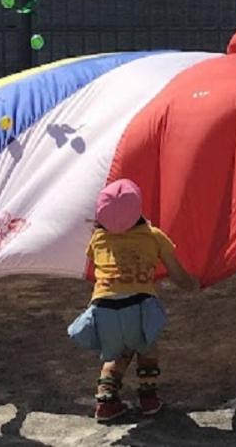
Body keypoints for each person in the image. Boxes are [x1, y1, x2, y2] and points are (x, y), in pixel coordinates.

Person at [68, 179, 199, 422]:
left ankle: (106, 402)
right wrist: (193, 283)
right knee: (147, 347)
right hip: (139, 305)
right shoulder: (154, 236)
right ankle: (148, 399)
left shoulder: (98, 239)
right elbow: (177, 275)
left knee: (116, 354)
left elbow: (95, 266)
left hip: (103, 308)